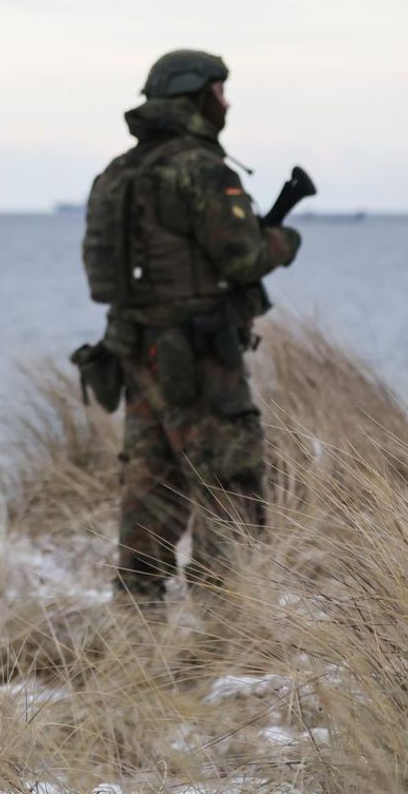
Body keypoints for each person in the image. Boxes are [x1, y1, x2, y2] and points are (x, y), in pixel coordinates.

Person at [80, 49, 301, 608]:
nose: (225, 102)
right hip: (200, 359)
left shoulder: (118, 172)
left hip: (135, 352)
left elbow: (105, 275)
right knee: (231, 484)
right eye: (219, 90)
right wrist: (283, 242)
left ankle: (136, 629)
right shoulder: (202, 169)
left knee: (149, 490)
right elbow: (243, 257)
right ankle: (222, 636)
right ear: (195, 96)